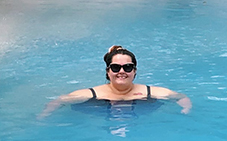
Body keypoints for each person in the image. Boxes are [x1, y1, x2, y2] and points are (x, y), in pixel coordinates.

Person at [40, 45, 192, 117]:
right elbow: (60, 101)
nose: (121, 72)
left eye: (127, 67)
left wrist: (185, 110)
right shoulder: (92, 94)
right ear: (108, 71)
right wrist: (45, 115)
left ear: (134, 71)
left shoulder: (151, 92)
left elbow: (181, 97)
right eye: (115, 67)